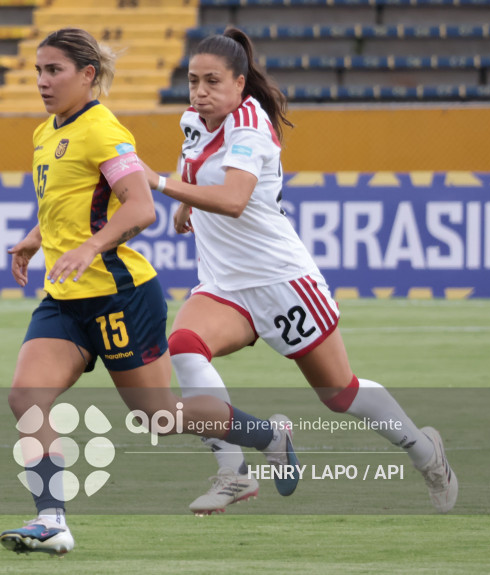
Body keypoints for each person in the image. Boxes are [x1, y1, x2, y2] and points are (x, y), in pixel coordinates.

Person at [0, 28, 301, 558]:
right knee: (27, 396)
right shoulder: (45, 132)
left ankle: (268, 436)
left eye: (55, 71)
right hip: (65, 299)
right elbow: (66, 207)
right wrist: (34, 239)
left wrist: (92, 248)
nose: (43, 82)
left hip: (120, 295)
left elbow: (141, 208)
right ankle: (52, 521)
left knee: (158, 416)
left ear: (87, 75)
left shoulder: (104, 132)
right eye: (39, 71)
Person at [142, 28, 458, 516]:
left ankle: (424, 452)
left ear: (240, 84)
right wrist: (184, 197)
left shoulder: (249, 125)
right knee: (184, 346)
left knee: (340, 393)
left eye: (212, 82)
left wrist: (161, 185)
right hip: (226, 285)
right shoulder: (194, 119)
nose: (200, 93)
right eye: (192, 81)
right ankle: (234, 471)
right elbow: (194, 162)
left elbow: (233, 199)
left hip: (281, 282)